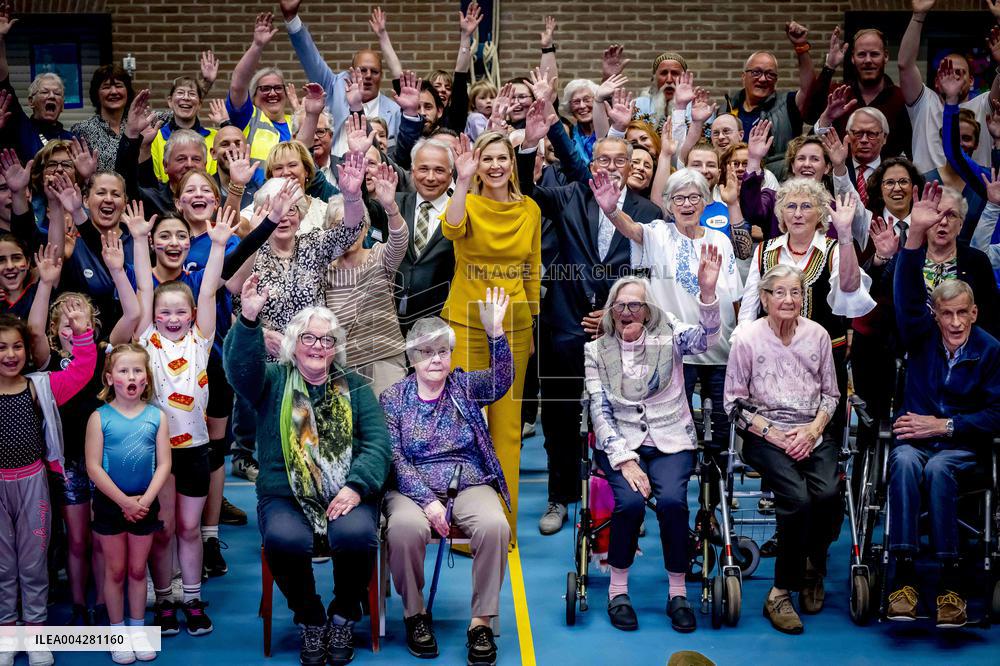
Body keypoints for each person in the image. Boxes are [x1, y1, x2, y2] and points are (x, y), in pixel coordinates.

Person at [224, 277, 390, 666]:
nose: (318, 347)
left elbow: (378, 445)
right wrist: (248, 318)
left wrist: (355, 486)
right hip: (284, 493)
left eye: (327, 340)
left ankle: (344, 613)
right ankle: (311, 617)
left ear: (336, 349)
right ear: (293, 344)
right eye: (310, 339)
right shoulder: (272, 381)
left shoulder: (355, 387)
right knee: (284, 539)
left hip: (344, 492)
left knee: (357, 534)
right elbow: (239, 369)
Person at [518, 102, 662, 535]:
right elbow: (525, 187)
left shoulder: (648, 214)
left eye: (623, 161)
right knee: (561, 419)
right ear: (591, 162)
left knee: (622, 418)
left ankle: (620, 498)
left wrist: (617, 319)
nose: (613, 167)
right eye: (604, 160)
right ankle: (560, 498)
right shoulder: (566, 196)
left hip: (623, 334)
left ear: (633, 166)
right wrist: (529, 143)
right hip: (563, 329)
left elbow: (649, 278)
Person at [885, 181, 1000, 628]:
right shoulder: (922, 335)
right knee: (907, 462)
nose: (953, 323)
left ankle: (952, 585)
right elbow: (905, 297)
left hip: (962, 447)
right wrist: (913, 240)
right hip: (915, 442)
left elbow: (995, 413)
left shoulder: (991, 350)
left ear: (974, 313)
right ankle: (904, 579)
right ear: (935, 314)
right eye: (945, 314)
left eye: (961, 314)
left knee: (936, 467)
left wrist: (945, 426)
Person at [584, 263, 721, 633]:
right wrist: (625, 460)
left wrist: (707, 296)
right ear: (611, 311)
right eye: (621, 306)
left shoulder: (670, 333)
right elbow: (599, 410)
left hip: (672, 440)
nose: (629, 312)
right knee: (628, 504)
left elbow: (706, 339)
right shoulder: (596, 351)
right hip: (621, 444)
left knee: (674, 503)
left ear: (649, 310)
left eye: (637, 305)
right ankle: (618, 590)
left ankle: (678, 593)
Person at [380, 289, 513, 665]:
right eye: (426, 351)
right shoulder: (393, 398)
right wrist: (429, 502)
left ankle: (480, 621)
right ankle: (415, 615)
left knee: (495, 525)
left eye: (442, 351)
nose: (435, 359)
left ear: (451, 355)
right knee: (404, 529)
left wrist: (496, 334)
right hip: (411, 486)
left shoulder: (465, 387)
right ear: (412, 357)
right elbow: (395, 458)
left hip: (467, 480)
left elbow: (502, 380)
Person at [124, 203, 236, 637]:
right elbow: (144, 293)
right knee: (166, 527)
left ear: (191, 316)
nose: (171, 318)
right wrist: (137, 240)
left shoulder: (201, 341)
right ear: (154, 319)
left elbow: (208, 292)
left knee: (190, 528)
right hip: (160, 453)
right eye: (164, 313)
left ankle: (192, 597)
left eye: (179, 313)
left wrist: (221, 244)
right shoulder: (148, 341)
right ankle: (166, 598)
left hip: (194, 449)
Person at [26, 238, 141, 627]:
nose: (74, 326)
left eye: (82, 320)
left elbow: (134, 313)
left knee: (100, 536)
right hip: (68, 462)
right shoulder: (49, 363)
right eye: (66, 322)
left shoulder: (105, 352)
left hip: (105, 462)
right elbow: (34, 332)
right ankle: (78, 603)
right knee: (76, 538)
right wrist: (45, 285)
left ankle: (100, 600)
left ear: (92, 327)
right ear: (57, 330)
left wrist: (116, 271)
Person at [725, 264, 841, 634]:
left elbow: (831, 395)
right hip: (764, 434)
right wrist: (775, 434)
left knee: (828, 494)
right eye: (780, 293)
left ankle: (813, 566)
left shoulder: (819, 335)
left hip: (811, 429)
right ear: (764, 299)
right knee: (797, 500)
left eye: (796, 292)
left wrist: (812, 431)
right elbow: (734, 404)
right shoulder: (747, 338)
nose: (789, 300)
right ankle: (780, 591)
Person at [441, 131, 541, 542]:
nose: (496, 166)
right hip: (466, 322)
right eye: (487, 159)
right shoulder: (467, 201)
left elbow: (532, 267)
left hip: (514, 325)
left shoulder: (530, 209)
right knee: (466, 425)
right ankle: (466, 525)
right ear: (476, 164)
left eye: (502, 158)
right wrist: (462, 181)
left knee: (507, 429)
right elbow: (451, 228)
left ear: (511, 164)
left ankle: (502, 527)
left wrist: (531, 324)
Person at [605, 168, 743, 451]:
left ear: (705, 202)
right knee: (676, 425)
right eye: (679, 199)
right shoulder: (658, 234)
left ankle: (713, 491)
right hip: (675, 348)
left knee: (721, 423)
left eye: (694, 197)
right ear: (668, 204)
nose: (687, 205)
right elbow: (631, 228)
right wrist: (611, 211)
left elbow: (736, 297)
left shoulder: (720, 241)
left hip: (719, 349)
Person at [0, 303, 97, 666]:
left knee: (33, 561)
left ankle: (36, 632)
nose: (10, 354)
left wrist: (83, 332)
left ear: (27, 351)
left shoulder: (39, 386)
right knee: (3, 565)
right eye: (1, 347)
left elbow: (83, 371)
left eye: (16, 346)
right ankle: (7, 633)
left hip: (33, 484)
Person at [84, 343, 170, 664]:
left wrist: (144, 501)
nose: (131, 376)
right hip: (111, 505)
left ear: (146, 379)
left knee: (137, 570)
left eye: (137, 371)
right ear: (109, 378)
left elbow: (163, 464)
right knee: (116, 570)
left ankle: (137, 629)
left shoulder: (156, 417)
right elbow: (93, 466)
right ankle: (117, 632)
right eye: (123, 370)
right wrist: (124, 502)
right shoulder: (99, 418)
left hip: (144, 504)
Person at [325, 163, 408, 397]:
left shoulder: (379, 256)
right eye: (340, 226)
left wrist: (390, 207)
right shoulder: (324, 271)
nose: (350, 231)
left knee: (387, 430)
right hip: (341, 367)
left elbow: (400, 240)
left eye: (356, 224)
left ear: (366, 227)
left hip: (385, 361)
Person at [282, 0, 402, 154]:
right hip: (334, 173)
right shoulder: (333, 88)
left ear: (381, 76)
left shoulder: (394, 110)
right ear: (351, 72)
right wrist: (291, 19)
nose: (368, 76)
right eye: (362, 70)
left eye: (374, 71)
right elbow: (311, 58)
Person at [899, 0, 1000, 173]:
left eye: (959, 73)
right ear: (936, 81)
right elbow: (905, 65)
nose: (953, 79)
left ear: (971, 81)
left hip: (974, 193)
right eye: (946, 73)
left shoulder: (984, 105)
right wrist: (918, 16)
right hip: (929, 194)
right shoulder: (924, 103)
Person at [804, 27, 913, 160]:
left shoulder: (900, 98)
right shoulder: (839, 94)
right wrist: (829, 67)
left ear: (886, 56)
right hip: (840, 175)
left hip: (886, 177)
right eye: (861, 54)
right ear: (852, 58)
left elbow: (910, 148)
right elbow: (810, 117)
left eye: (874, 54)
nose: (868, 60)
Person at [393, 138, 456, 333]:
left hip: (441, 325)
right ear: (412, 171)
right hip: (391, 324)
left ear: (451, 173)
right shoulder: (394, 203)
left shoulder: (460, 212)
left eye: (439, 170)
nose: (430, 177)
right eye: (423, 169)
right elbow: (362, 211)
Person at [227, 13, 294, 165]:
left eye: (278, 88)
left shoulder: (296, 122)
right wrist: (257, 46)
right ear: (253, 95)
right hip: (257, 189)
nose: (272, 93)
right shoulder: (248, 119)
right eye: (265, 89)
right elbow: (237, 86)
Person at [150, 77, 219, 184]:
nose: (186, 98)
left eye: (192, 94)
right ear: (170, 101)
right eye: (180, 92)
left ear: (200, 104)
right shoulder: (155, 137)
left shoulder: (215, 137)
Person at [71, 64, 136, 173]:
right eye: (106, 87)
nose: (114, 92)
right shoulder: (82, 130)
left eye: (119, 86)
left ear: (127, 92)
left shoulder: (139, 127)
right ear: (96, 93)